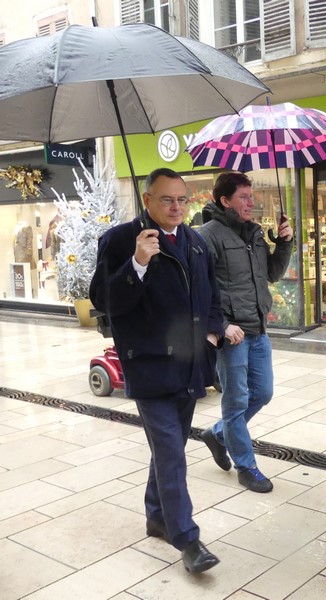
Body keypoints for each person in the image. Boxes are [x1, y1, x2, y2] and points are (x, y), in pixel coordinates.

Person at [89, 168, 223, 573]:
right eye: (167, 199)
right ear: (147, 200)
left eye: (182, 199)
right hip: (149, 366)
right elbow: (104, 301)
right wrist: (137, 263)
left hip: (190, 365)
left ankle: (157, 515)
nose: (177, 207)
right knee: (170, 453)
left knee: (170, 448)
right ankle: (187, 538)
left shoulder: (195, 243)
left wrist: (211, 336)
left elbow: (212, 297)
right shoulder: (120, 240)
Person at [197, 171, 293, 493]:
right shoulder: (208, 236)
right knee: (236, 401)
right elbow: (201, 288)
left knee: (262, 392)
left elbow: (273, 274)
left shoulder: (254, 233)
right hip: (232, 334)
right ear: (225, 201)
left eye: (252, 196)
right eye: (244, 197)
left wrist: (284, 243)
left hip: (258, 328)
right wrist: (222, 325)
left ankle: (217, 434)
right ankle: (246, 466)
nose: (251, 202)